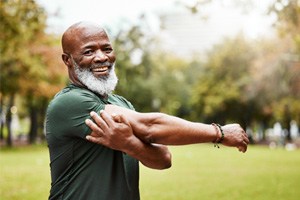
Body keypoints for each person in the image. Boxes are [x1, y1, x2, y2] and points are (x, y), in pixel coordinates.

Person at [45, 21, 249, 200]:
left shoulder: (122, 104)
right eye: (89, 51)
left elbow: (163, 159)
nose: (101, 57)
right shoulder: (69, 103)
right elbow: (150, 126)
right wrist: (219, 133)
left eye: (107, 49)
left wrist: (129, 144)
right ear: (67, 60)